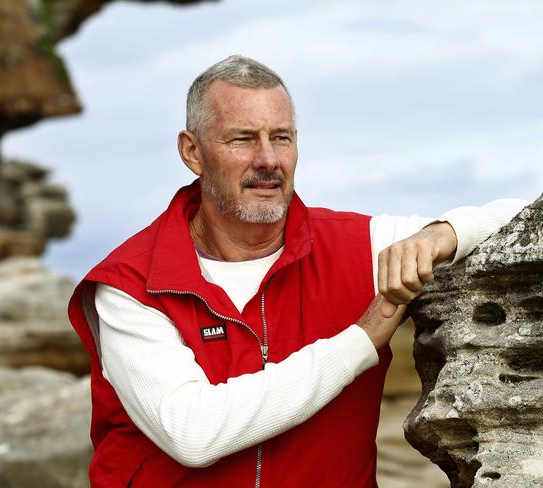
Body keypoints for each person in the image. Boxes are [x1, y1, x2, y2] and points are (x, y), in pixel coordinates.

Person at [68, 55, 528, 487]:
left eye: (281, 137)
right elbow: (192, 431)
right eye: (243, 139)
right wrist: (360, 341)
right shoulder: (129, 284)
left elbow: (525, 215)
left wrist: (441, 232)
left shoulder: (360, 246)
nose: (268, 160)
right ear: (192, 152)